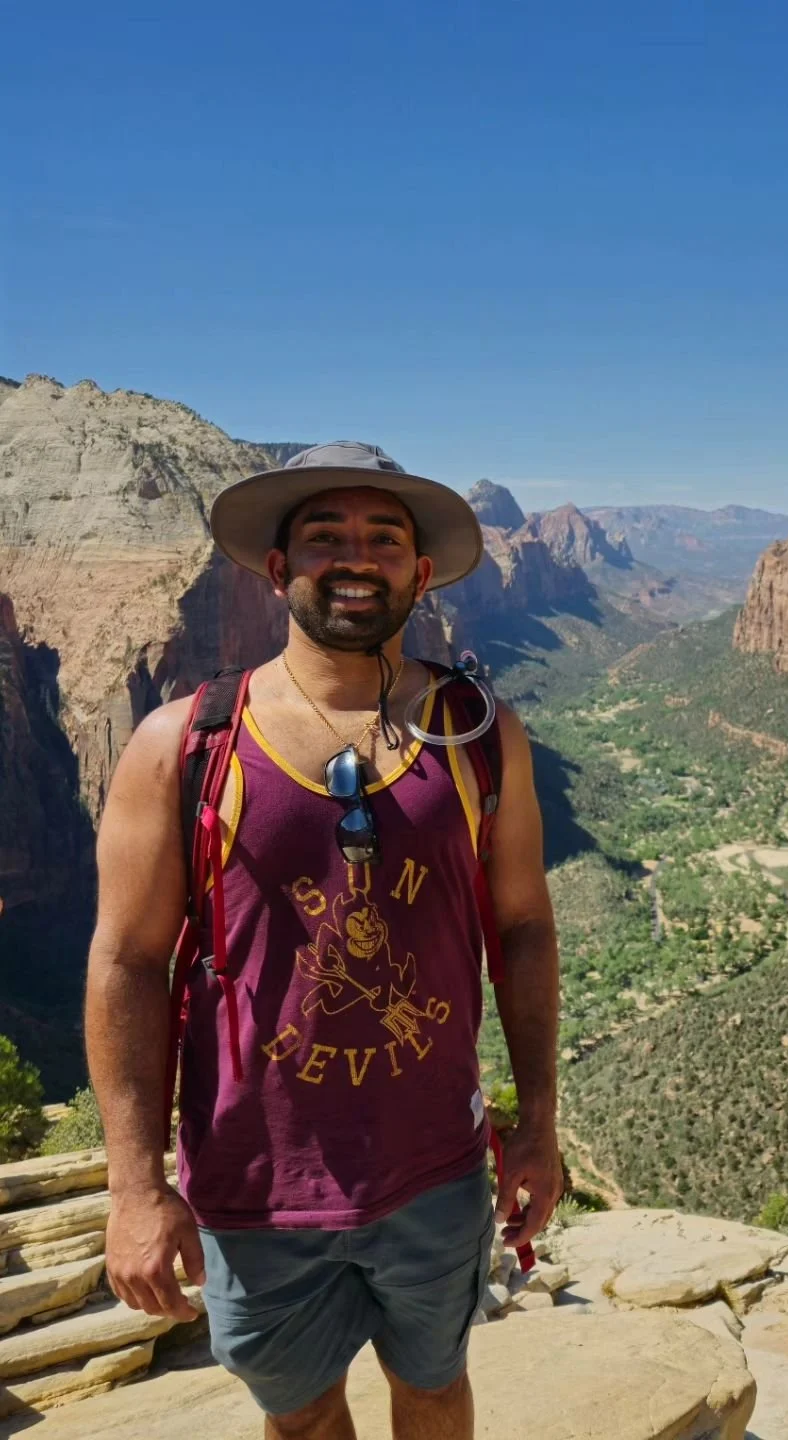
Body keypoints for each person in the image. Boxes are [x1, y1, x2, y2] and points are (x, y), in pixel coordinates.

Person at [86, 442, 563, 1440]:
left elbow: (521, 930)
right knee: (300, 1420)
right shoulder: (181, 745)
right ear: (277, 568)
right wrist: (135, 1188)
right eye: (326, 537)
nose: (357, 557)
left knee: (434, 1387)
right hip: (253, 1181)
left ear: (419, 572)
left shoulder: (480, 732)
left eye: (383, 539)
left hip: (436, 1167)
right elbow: (128, 966)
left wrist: (536, 1126)